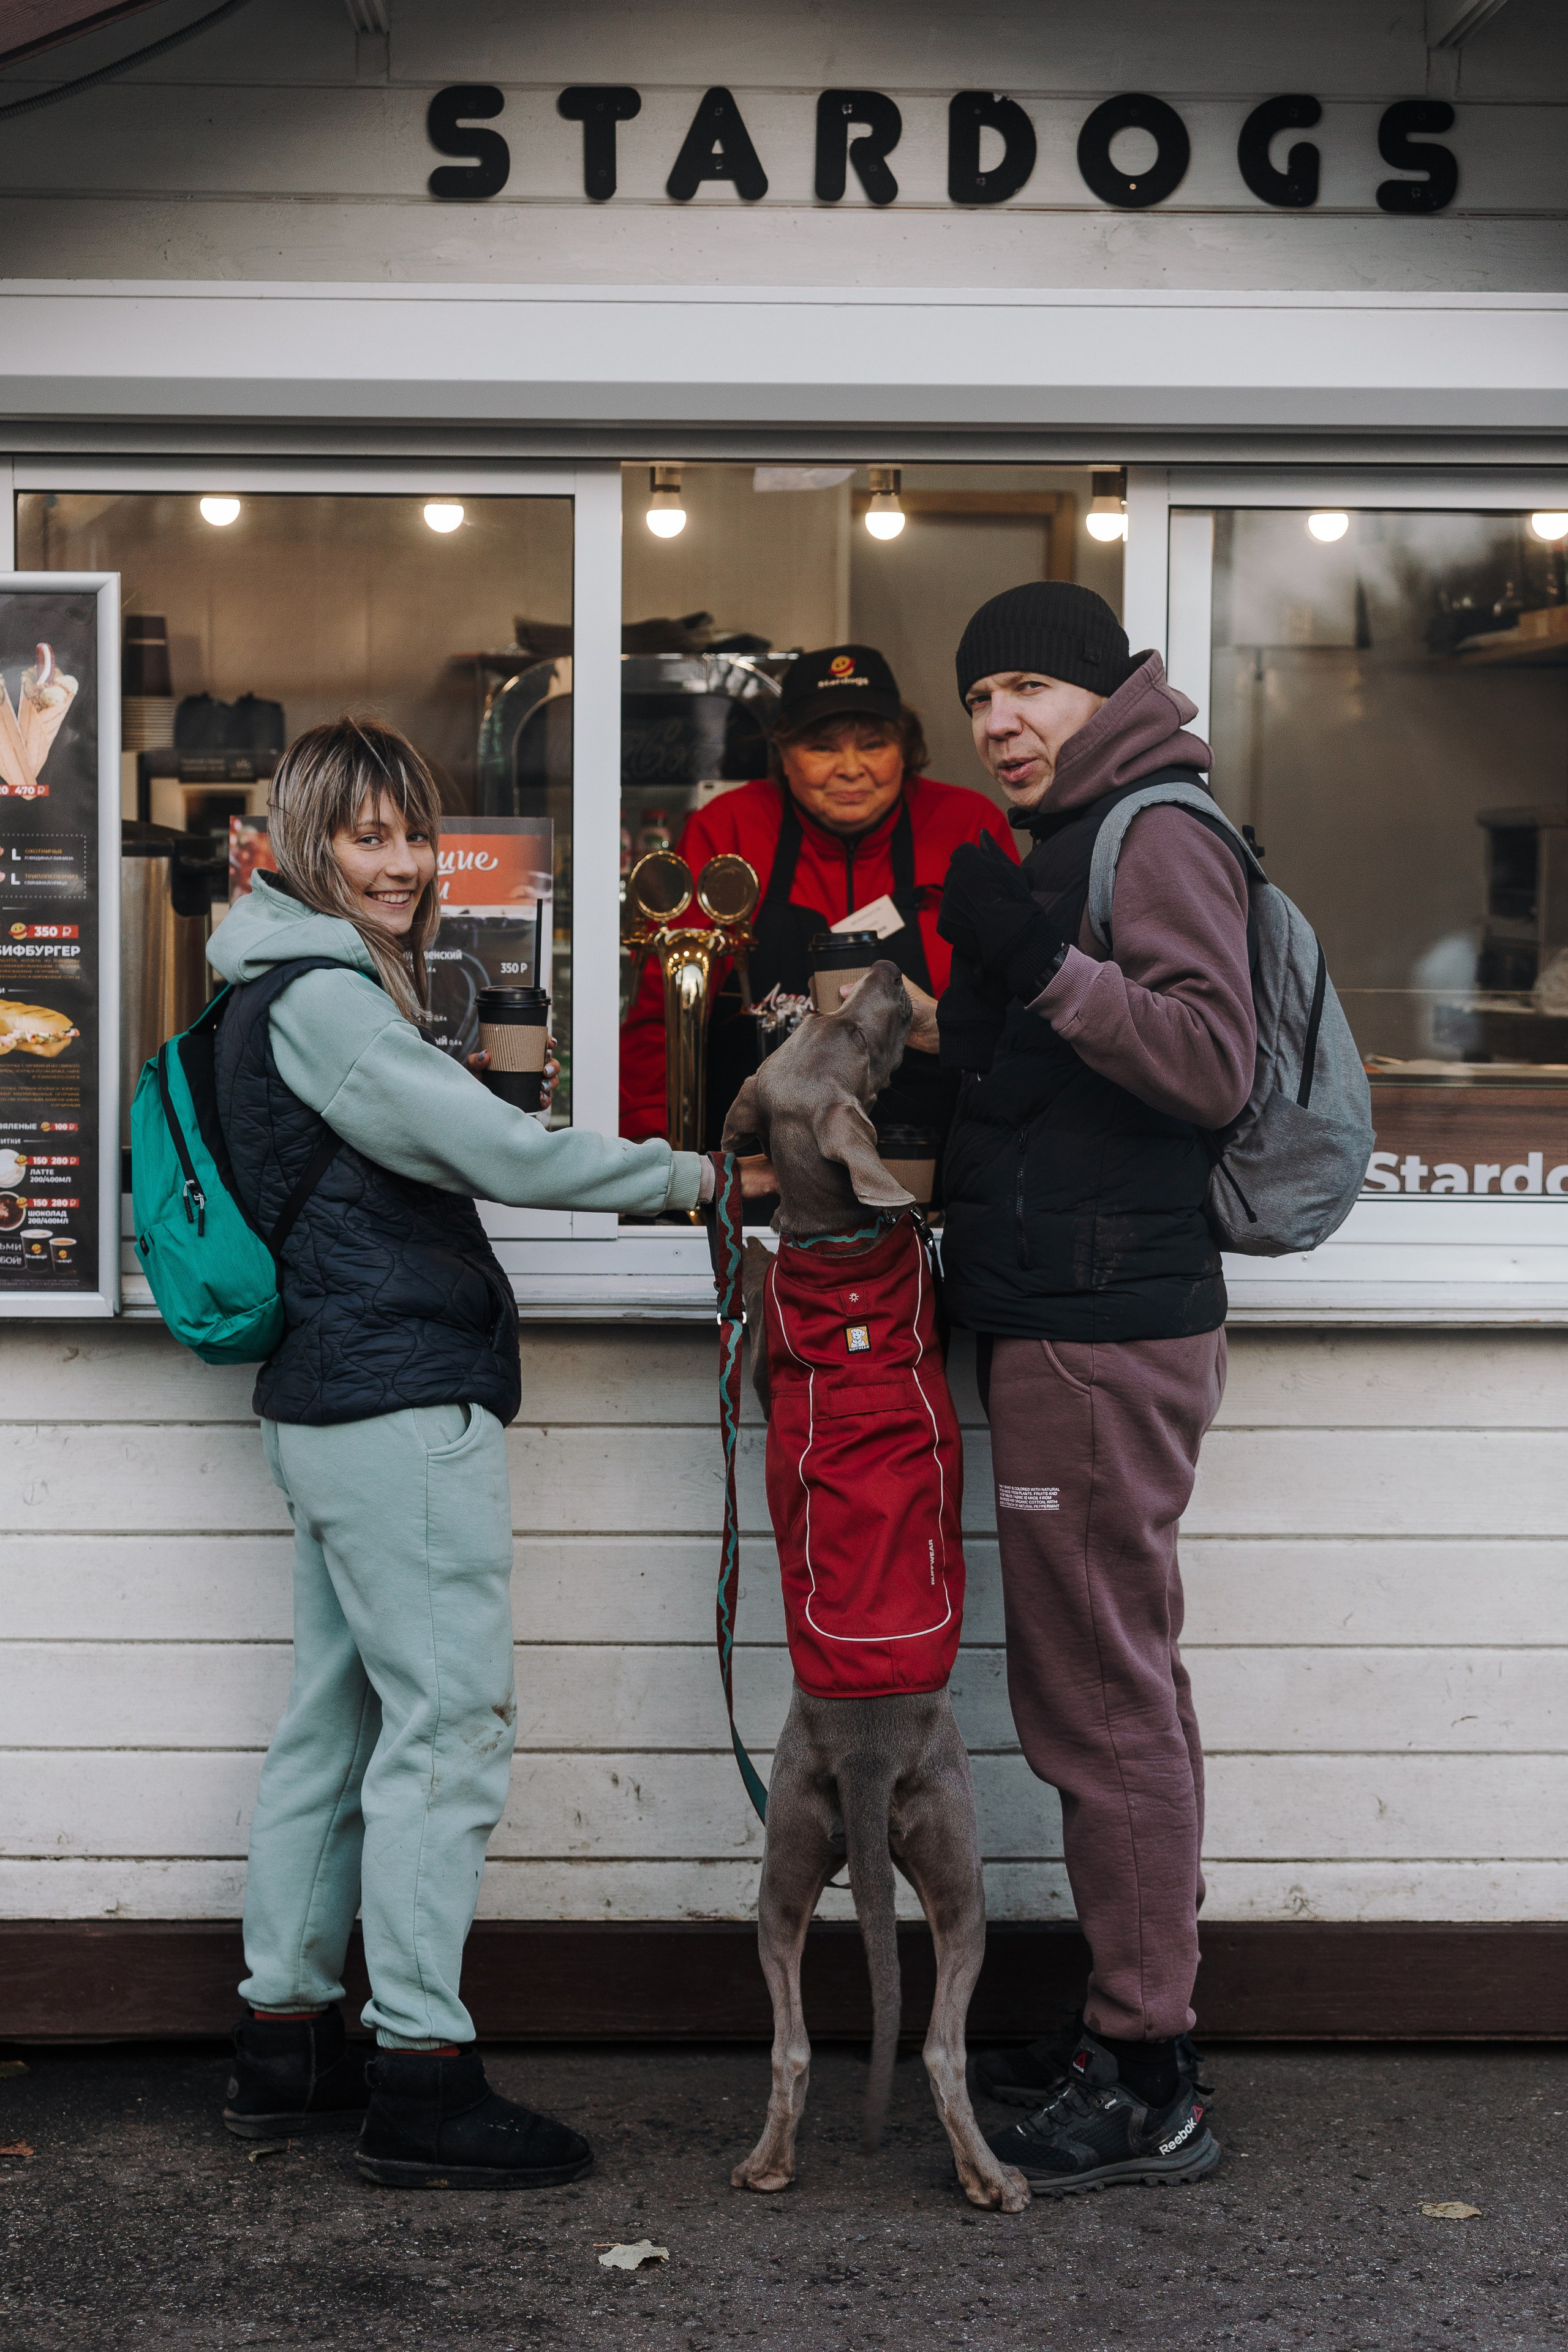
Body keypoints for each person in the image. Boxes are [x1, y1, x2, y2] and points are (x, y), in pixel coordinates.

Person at [210, 717, 771, 2189]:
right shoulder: (324, 998)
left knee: (332, 1729)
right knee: (447, 1731)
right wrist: (695, 1173)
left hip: (335, 1397)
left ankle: (286, 2037)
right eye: (365, 836)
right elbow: (507, 1156)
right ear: (303, 845)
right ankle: (420, 2070)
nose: (399, 863)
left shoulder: (280, 978)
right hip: (396, 1401)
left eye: (412, 834)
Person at [935, 583, 1256, 2197]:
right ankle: (1137, 2032)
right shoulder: (1084, 829)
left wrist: (1039, 961)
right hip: (1066, 1305)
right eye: (978, 695)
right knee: (1121, 1685)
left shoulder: (1156, 830)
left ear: (1104, 686)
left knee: (1098, 1700)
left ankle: (1143, 2077)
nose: (997, 720)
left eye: (1027, 686)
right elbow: (1063, 1073)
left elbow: (1212, 1061)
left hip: (1103, 1323)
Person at [619, 643, 1016, 1152]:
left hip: (936, 1158)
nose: (850, 768)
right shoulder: (729, 829)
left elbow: (1013, 1011)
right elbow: (661, 1022)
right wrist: (655, 1167)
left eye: (873, 744)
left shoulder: (966, 825)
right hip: (760, 1165)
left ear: (906, 748)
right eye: (823, 748)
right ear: (782, 754)